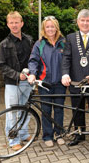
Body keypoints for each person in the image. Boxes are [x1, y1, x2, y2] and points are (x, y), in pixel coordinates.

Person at [61, 9, 89, 149]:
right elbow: (66, 58)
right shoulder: (70, 38)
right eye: (82, 20)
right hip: (75, 81)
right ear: (78, 22)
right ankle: (79, 134)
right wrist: (65, 74)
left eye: (88, 21)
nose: (85, 23)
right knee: (77, 110)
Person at [0, 11, 33, 151]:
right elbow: (1, 65)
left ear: (22, 23)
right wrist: (17, 75)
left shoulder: (29, 40)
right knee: (12, 112)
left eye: (16, 22)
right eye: (11, 23)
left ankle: (24, 134)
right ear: (8, 25)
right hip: (13, 83)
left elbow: (34, 59)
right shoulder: (4, 44)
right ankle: (13, 140)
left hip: (28, 83)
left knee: (26, 110)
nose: (14, 25)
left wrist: (32, 74)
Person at [28, 16, 66, 147]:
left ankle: (59, 134)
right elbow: (33, 61)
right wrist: (32, 74)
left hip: (60, 83)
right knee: (46, 110)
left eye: (52, 26)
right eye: (47, 27)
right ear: (44, 28)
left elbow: (68, 61)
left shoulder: (63, 42)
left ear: (56, 27)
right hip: (45, 83)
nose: (50, 29)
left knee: (59, 110)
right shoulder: (39, 44)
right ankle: (47, 136)